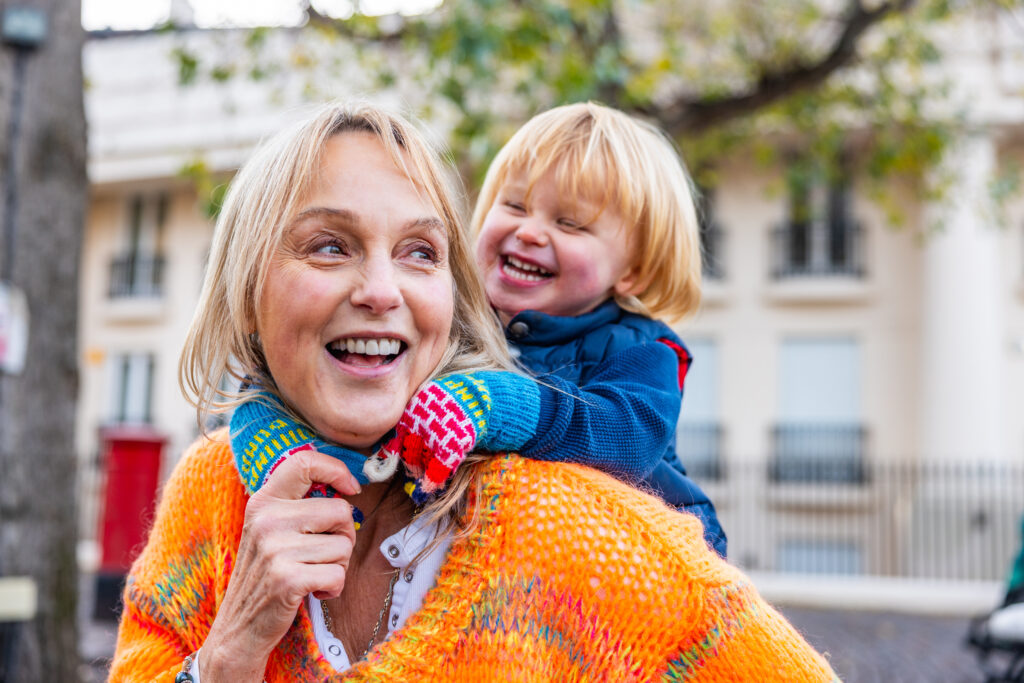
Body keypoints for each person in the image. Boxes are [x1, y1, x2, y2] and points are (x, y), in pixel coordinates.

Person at [107, 100, 838, 681]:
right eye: (330, 244)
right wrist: (227, 658)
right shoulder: (211, 493)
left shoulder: (576, 525)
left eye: (420, 251)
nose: (381, 290)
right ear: (245, 290)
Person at [233, 101, 726, 557]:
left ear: (632, 272)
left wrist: (497, 404)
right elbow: (278, 376)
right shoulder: (453, 320)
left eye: (570, 223)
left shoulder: (643, 348)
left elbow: (627, 438)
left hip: (648, 549)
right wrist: (275, 442)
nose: (530, 231)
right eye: (514, 205)